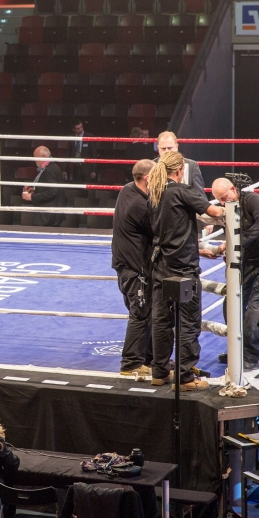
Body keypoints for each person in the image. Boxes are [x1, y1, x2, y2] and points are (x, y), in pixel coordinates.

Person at [147, 151, 224, 390]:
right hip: (183, 266)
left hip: (160, 264)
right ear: (180, 170)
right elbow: (215, 213)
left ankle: (159, 372)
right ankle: (184, 378)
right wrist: (234, 206)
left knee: (161, 320)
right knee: (189, 321)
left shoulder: (154, 192)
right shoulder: (182, 191)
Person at [213, 178, 259, 369]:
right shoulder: (231, 209)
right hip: (249, 259)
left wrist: (235, 245)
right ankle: (236, 349)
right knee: (231, 300)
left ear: (233, 188)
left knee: (257, 305)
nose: (223, 202)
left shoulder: (253, 199)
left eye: (224, 197)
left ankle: (249, 356)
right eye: (219, 200)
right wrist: (233, 251)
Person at [112, 159, 155, 378]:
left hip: (128, 266)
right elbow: (160, 229)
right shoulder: (139, 205)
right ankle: (130, 363)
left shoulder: (127, 189)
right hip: (135, 269)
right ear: (148, 178)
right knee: (140, 314)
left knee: (145, 313)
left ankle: (149, 359)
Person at [21, 146, 65, 227]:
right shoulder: (52, 167)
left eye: (35, 157)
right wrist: (34, 190)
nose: (34, 160)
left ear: (43, 156)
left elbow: (52, 191)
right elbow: (49, 188)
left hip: (47, 215)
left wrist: (32, 197)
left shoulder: (49, 169)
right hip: (50, 213)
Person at [155, 131, 205, 197]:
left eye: (169, 148)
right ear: (158, 148)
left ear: (176, 147)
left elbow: (200, 195)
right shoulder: (152, 165)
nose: (167, 151)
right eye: (163, 149)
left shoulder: (191, 166)